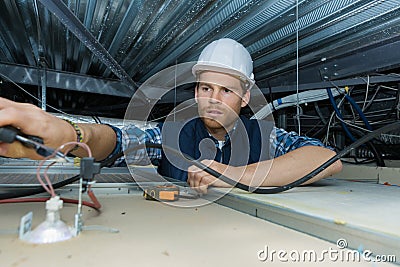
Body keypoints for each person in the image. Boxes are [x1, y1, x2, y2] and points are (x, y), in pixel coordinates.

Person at [0, 38, 342, 194]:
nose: (213, 99)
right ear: (196, 92)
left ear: (244, 97)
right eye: (205, 88)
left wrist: (234, 174)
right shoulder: (170, 134)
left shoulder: (264, 135)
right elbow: (119, 141)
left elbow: (327, 159)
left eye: (226, 91)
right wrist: (71, 134)